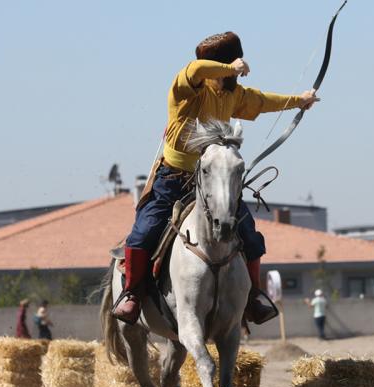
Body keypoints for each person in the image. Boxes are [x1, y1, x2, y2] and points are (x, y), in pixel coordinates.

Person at [113, 31, 319, 325]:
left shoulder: (233, 95)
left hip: (212, 184)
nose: (207, 68)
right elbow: (195, 69)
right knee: (143, 233)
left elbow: (261, 101)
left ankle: (253, 296)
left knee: (248, 232)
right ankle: (132, 293)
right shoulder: (187, 89)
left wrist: (299, 100)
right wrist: (231, 68)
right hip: (173, 179)